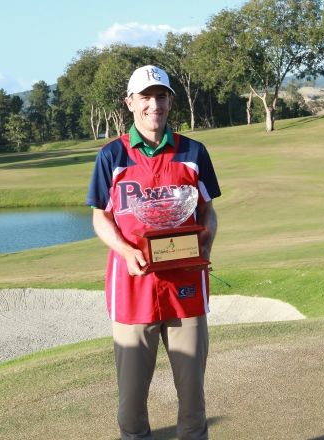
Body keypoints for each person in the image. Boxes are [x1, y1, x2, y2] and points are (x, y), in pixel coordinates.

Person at [85, 65, 220, 440]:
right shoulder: (112, 155)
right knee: (131, 406)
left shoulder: (193, 151)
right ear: (130, 103)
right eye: (145, 97)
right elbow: (101, 218)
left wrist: (205, 243)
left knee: (193, 402)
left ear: (170, 101)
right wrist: (126, 251)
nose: (153, 105)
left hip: (186, 287)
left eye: (160, 96)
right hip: (132, 288)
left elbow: (207, 210)